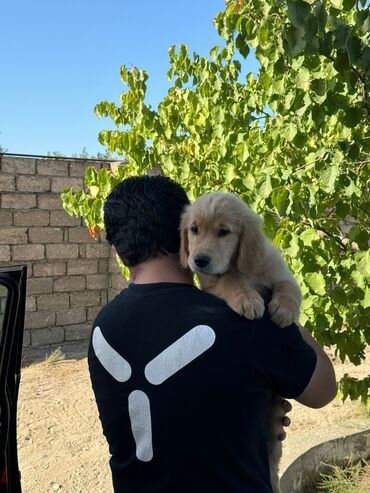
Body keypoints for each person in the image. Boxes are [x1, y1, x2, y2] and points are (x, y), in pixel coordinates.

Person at [88, 175, 337, 493]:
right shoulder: (246, 319)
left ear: (119, 252)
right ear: (184, 235)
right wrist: (278, 307)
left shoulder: (103, 328)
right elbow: (323, 389)